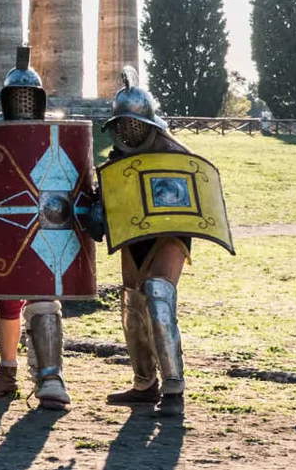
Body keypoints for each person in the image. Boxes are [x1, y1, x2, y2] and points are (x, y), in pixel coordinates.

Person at [0, 51, 72, 408]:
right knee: (7, 306)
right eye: (16, 96)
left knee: (44, 300)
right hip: (4, 233)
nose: (23, 102)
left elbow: (71, 188)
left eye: (29, 96)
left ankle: (50, 376)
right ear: (5, 100)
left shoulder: (54, 137)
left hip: (45, 233)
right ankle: (7, 373)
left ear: (39, 99)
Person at [103, 69, 196, 417]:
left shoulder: (175, 153)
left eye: (133, 123)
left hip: (169, 232)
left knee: (158, 295)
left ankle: (174, 388)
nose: (128, 131)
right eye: (122, 125)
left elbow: (194, 189)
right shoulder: (117, 158)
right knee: (132, 306)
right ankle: (144, 384)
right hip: (133, 233)